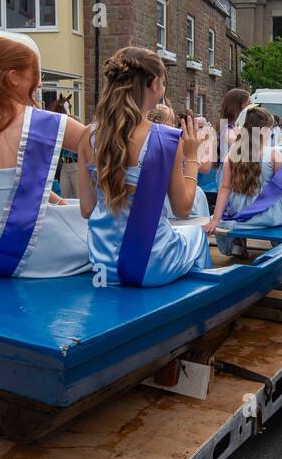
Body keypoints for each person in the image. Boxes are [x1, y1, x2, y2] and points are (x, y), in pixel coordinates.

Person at [0, 37, 90, 278]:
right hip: (36, 251)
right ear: (13, 76)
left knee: (71, 209)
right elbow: (105, 150)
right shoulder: (48, 123)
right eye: (34, 75)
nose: (37, 84)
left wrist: (55, 199)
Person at [77, 47, 211, 287]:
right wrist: (191, 157)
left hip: (102, 264)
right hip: (150, 265)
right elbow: (183, 208)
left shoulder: (89, 135)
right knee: (196, 235)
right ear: (153, 85)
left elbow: (87, 209)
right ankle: (199, 306)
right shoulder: (166, 138)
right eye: (163, 82)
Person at [205, 106, 282, 257]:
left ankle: (238, 243)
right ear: (263, 130)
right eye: (271, 128)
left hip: (239, 213)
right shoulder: (273, 153)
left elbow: (225, 188)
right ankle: (280, 243)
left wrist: (216, 219)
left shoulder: (233, 152)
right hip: (268, 217)